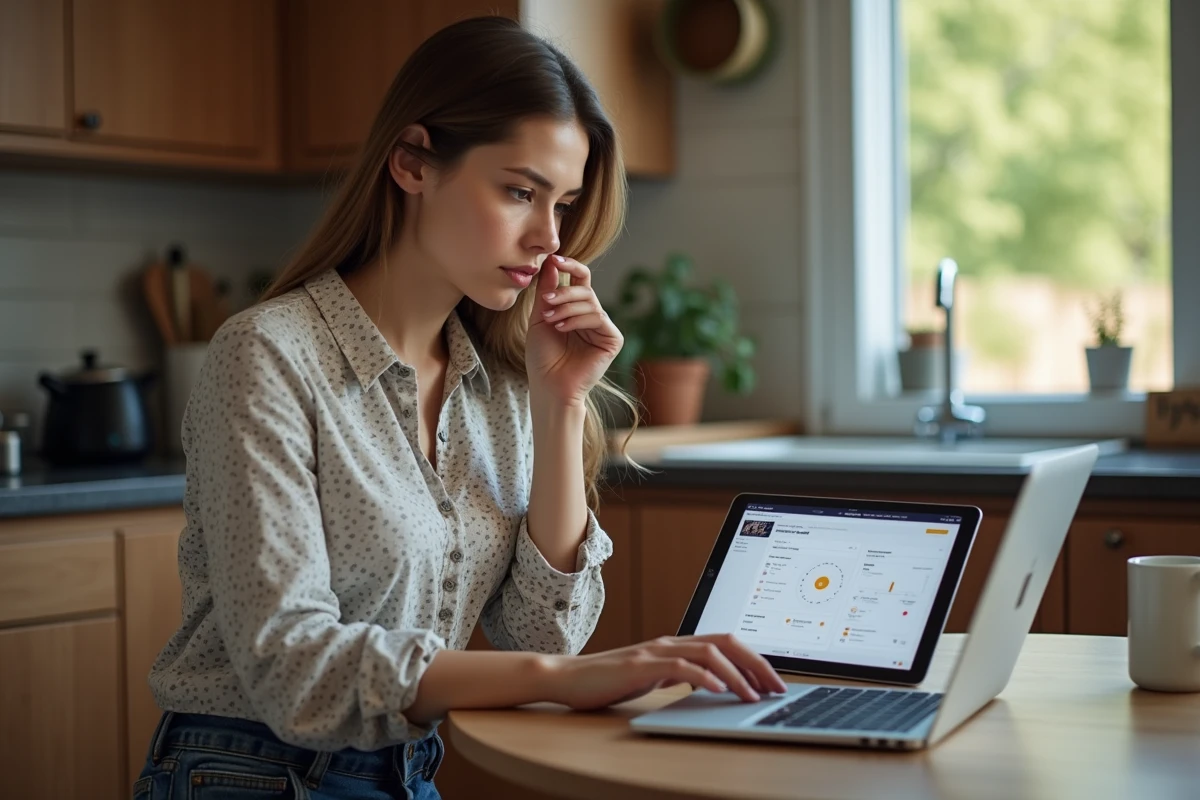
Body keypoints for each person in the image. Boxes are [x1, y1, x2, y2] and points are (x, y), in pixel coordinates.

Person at [133, 16, 785, 800]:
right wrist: (569, 677)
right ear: (412, 163)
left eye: (564, 203)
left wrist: (561, 404)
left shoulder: (504, 381)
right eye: (519, 191)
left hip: (409, 774)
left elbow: (548, 634)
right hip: (249, 774)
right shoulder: (268, 353)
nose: (549, 238)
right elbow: (293, 670)